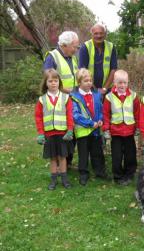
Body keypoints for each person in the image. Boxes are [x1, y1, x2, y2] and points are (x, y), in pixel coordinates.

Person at [43, 31, 79, 168]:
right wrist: (65, 90)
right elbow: (48, 80)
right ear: (65, 45)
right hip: (58, 102)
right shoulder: (52, 57)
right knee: (60, 134)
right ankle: (58, 163)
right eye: (74, 46)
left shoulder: (72, 58)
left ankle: (67, 162)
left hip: (72, 101)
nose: (76, 49)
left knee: (72, 132)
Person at [35, 69, 73, 190]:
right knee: (52, 158)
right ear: (46, 83)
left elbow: (69, 115)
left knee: (62, 157)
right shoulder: (42, 100)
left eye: (55, 81)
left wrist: (70, 130)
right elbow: (38, 117)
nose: (53, 83)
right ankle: (53, 179)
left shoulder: (66, 98)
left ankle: (64, 178)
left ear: (59, 82)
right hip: (49, 134)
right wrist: (41, 133)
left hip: (62, 134)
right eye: (50, 81)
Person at [103, 70, 140, 186]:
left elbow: (137, 113)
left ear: (128, 82)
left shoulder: (133, 96)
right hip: (116, 132)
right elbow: (106, 114)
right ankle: (118, 175)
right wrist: (106, 129)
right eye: (119, 83)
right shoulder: (109, 97)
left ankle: (129, 173)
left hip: (129, 131)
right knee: (117, 155)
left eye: (124, 83)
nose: (122, 85)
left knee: (130, 155)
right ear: (114, 82)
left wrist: (138, 127)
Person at [71, 68, 107, 186]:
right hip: (83, 132)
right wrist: (91, 123)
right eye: (86, 81)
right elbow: (75, 115)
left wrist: (101, 119)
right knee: (83, 153)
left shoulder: (96, 95)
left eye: (90, 80)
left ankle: (100, 171)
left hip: (96, 130)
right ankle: (83, 174)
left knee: (97, 151)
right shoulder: (74, 97)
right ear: (79, 82)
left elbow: (101, 109)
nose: (89, 83)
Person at [79, 23, 118, 94]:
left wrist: (104, 88)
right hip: (89, 90)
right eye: (96, 33)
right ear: (92, 34)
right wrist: (95, 91)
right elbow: (82, 71)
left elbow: (113, 69)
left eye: (101, 33)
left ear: (105, 34)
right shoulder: (85, 47)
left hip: (107, 89)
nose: (99, 36)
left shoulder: (111, 47)